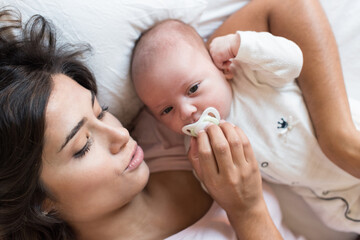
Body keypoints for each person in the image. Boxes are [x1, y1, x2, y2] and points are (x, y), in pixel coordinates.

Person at [0, 8, 300, 240]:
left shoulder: (168, 117)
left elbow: (281, 9)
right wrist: (247, 212)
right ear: (42, 200)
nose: (120, 133)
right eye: (83, 146)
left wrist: (337, 138)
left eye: (101, 111)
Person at [131, 16, 360, 235]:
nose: (186, 112)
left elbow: (293, 62)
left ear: (219, 67)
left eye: (193, 89)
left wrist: (242, 45)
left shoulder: (248, 75)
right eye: (167, 110)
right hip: (338, 202)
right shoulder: (200, 148)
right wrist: (208, 175)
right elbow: (225, 187)